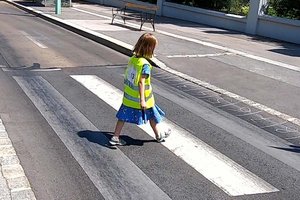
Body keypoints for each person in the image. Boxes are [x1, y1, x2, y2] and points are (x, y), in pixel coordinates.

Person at [109, 33, 170, 146]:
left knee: (122, 117)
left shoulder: (133, 60)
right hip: (143, 99)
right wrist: (142, 100)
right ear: (149, 48)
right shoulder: (145, 65)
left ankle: (115, 137)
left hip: (129, 98)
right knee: (152, 116)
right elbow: (141, 82)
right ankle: (158, 136)